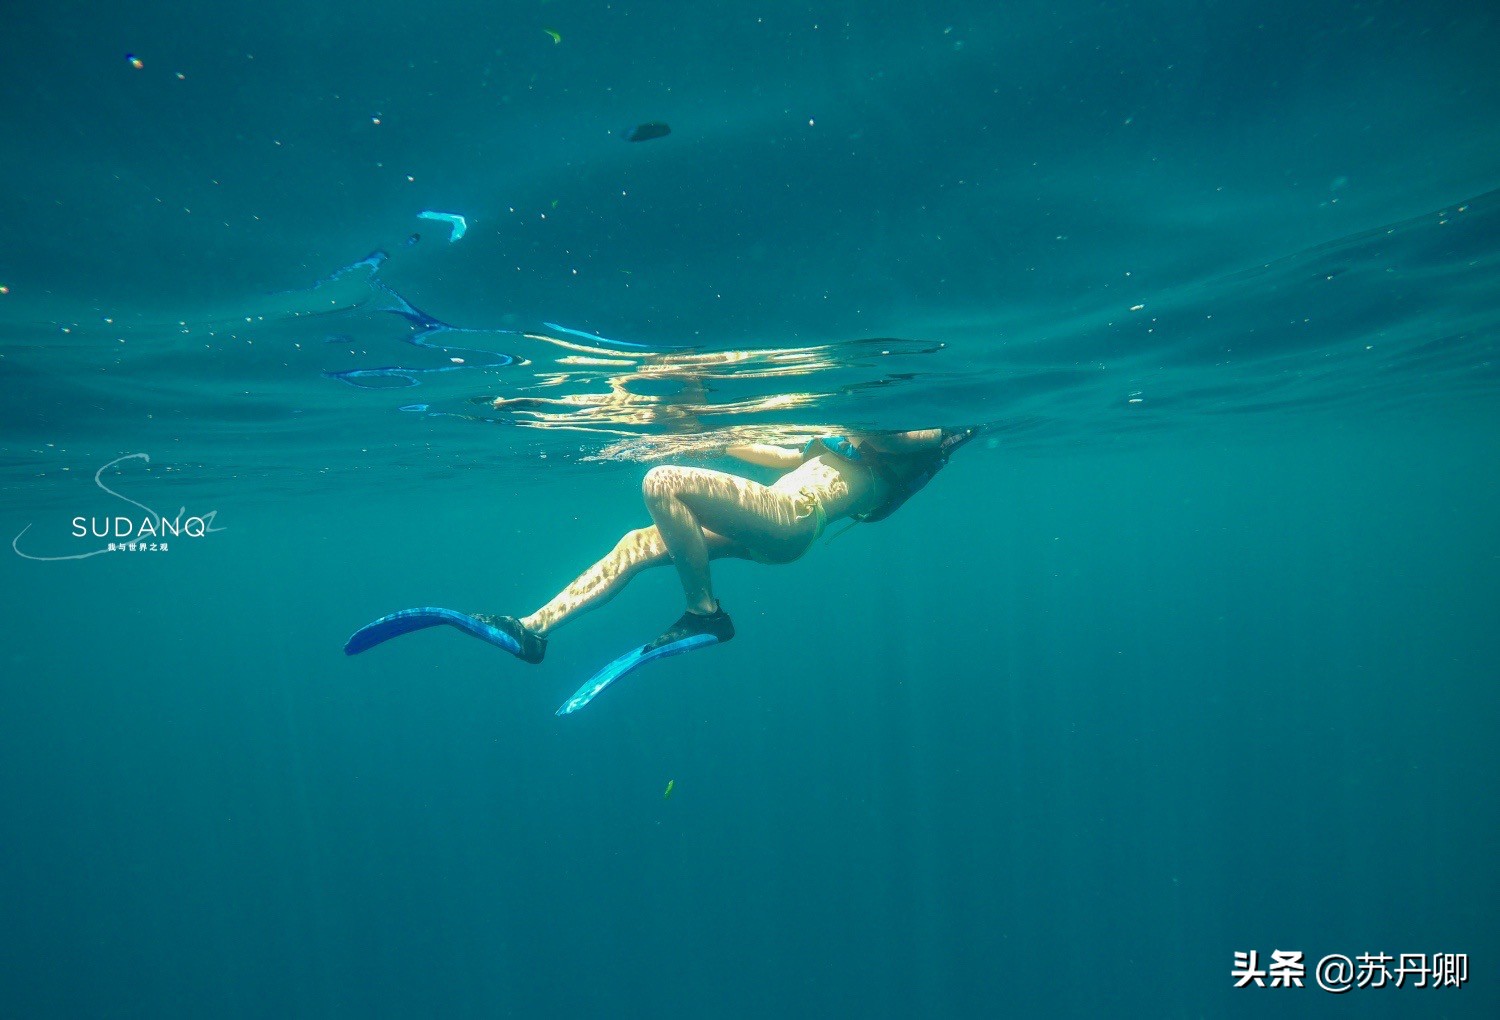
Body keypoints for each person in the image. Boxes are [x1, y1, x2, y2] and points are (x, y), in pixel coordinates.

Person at [344, 426, 982, 712]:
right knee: (637, 542)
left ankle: (705, 613)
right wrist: (719, 436)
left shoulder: (925, 432)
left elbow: (906, 437)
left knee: (663, 481)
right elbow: (787, 454)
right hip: (779, 522)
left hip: (794, 519)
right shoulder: (860, 427)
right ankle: (532, 629)